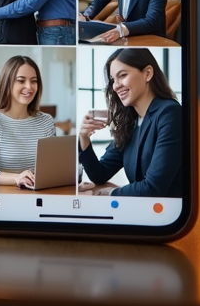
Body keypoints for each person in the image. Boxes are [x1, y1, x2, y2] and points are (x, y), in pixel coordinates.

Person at [77, 48, 183, 197]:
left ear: (147, 73)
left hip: (167, 214)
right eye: (113, 80)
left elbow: (153, 187)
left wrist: (113, 193)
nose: (116, 86)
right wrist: (84, 137)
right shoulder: (131, 121)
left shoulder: (170, 114)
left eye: (123, 75)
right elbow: (100, 174)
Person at [0, 55, 55, 188]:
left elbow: (53, 167)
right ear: (7, 83)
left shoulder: (46, 121)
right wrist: (17, 178)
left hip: (41, 195)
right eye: (21, 81)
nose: (29, 87)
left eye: (34, 81)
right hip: (4, 198)